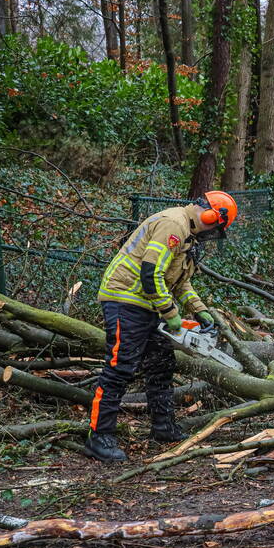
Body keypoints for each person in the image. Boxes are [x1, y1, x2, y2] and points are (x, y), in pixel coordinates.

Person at [84, 191, 239, 462]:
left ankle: (163, 426)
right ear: (210, 216)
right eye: (215, 226)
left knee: (161, 365)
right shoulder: (173, 225)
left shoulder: (187, 235)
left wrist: (200, 311)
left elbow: (180, 282)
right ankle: (99, 436)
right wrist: (171, 313)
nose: (212, 232)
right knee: (120, 368)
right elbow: (150, 273)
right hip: (125, 300)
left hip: (148, 303)